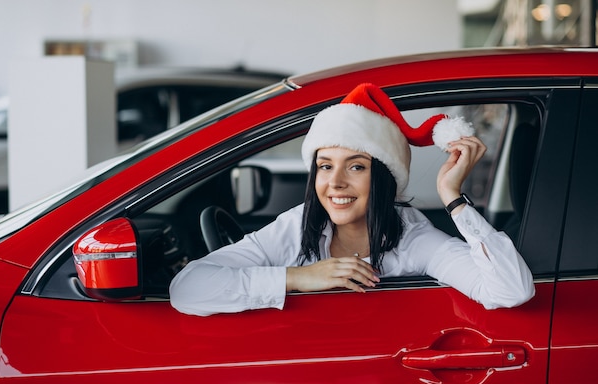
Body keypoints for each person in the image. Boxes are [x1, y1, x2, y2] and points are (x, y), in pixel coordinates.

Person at [169, 83, 535, 316]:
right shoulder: (297, 225)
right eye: (325, 166)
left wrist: (452, 198)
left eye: (356, 167)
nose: (336, 183)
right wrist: (298, 277)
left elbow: (510, 290)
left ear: (383, 179)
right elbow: (187, 289)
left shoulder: (413, 238)